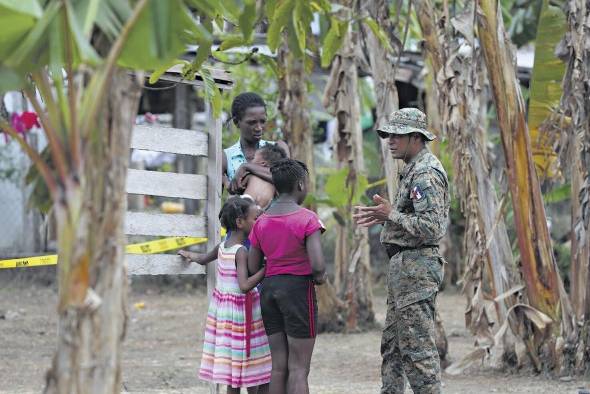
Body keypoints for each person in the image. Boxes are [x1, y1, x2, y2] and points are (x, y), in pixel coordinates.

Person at [353, 108, 450, 394]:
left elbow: (431, 227)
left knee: (417, 349)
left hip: (417, 268)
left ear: (416, 138)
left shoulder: (425, 173)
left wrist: (392, 215)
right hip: (406, 269)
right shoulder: (412, 168)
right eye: (389, 135)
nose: (391, 141)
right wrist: (386, 216)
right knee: (394, 346)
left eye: (398, 135)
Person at [248, 159, 327, 394]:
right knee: (299, 369)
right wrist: (320, 278)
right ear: (301, 185)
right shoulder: (307, 219)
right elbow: (318, 266)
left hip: (269, 290)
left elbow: (253, 266)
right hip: (298, 292)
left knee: (279, 367)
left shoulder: (261, 221)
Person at [180, 197, 272, 394]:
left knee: (234, 368)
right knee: (249, 363)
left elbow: (203, 259)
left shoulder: (222, 246)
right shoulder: (241, 252)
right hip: (242, 314)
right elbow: (245, 285)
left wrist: (189, 255)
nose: (259, 222)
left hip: (225, 314)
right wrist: (267, 268)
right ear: (240, 222)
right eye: (255, 218)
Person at [223, 92, 290, 195]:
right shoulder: (226, 157)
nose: (259, 128)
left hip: (275, 211)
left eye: (262, 121)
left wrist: (246, 167)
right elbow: (219, 191)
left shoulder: (278, 148)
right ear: (237, 122)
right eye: (252, 122)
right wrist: (227, 182)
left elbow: (288, 178)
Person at [241, 144, 287, 209]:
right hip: (261, 211)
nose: (251, 160)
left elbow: (236, 188)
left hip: (244, 204)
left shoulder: (250, 176)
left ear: (263, 163)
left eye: (253, 158)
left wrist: (225, 180)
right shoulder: (275, 185)